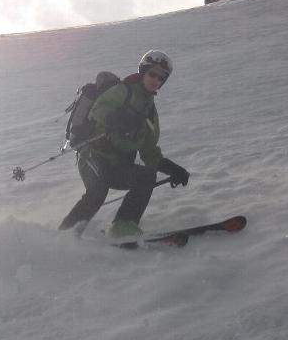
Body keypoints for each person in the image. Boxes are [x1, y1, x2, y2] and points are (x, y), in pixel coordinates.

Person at [58, 50, 190, 238]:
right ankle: (65, 235)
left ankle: (123, 226)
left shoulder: (150, 112)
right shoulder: (124, 91)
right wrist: (119, 118)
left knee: (146, 176)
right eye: (152, 74)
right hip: (93, 157)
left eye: (161, 78)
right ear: (143, 72)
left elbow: (149, 152)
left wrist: (173, 170)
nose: (155, 80)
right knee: (98, 190)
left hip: (118, 166)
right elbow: (97, 110)